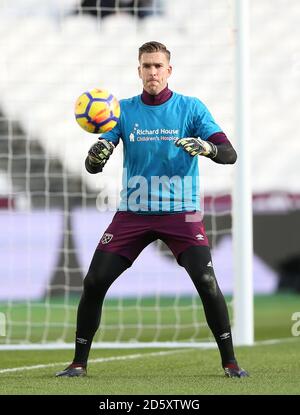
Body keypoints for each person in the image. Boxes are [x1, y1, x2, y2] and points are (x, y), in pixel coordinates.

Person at [56, 41, 249, 378]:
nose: (153, 72)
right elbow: (96, 161)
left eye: (158, 66)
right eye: (147, 66)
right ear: (139, 70)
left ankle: (230, 362)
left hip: (181, 212)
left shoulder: (190, 109)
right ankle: (78, 363)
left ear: (169, 70)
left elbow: (229, 153)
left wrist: (206, 147)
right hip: (133, 212)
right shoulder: (121, 110)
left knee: (206, 280)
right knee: (95, 281)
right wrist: (94, 156)